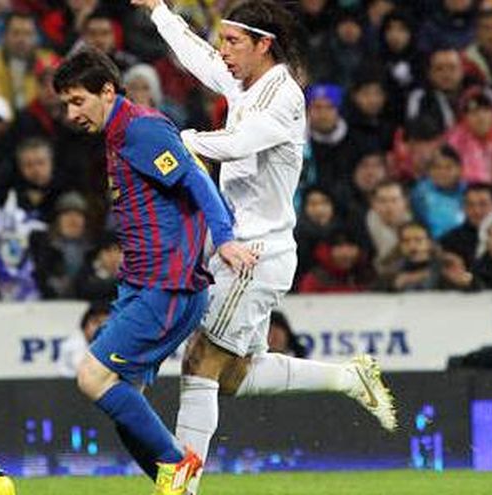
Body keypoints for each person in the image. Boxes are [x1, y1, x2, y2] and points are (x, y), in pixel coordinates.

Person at [135, 2, 397, 494]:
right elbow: (197, 56)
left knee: (200, 362)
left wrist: (176, 140)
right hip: (242, 247)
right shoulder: (243, 82)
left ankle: (181, 489)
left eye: (233, 41)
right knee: (234, 375)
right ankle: (349, 379)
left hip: (255, 252)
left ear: (264, 44)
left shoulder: (284, 95)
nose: (223, 50)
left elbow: (238, 142)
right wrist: (159, 11)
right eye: (223, 39)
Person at [52, 49, 252, 494]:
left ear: (107, 91)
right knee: (124, 398)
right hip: (141, 286)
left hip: (168, 286)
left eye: (78, 101)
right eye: (66, 104)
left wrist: (224, 238)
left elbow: (196, 179)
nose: (71, 114)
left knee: (93, 377)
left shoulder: (141, 129)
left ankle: (178, 466)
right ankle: (174, 486)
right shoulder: (118, 134)